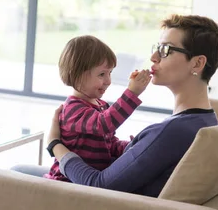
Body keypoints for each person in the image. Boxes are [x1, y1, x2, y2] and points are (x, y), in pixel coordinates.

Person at [46, 14, 218, 197]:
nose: (154, 57)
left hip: (90, 199)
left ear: (197, 63)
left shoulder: (172, 132)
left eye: (165, 50)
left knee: (18, 172)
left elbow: (98, 185)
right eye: (157, 48)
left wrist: (55, 146)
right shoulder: (205, 120)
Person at [44, 35, 152, 181]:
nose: (108, 81)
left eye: (110, 73)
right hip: (65, 183)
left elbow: (109, 144)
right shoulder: (72, 109)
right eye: (101, 74)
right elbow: (104, 124)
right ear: (77, 75)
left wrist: (130, 147)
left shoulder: (101, 105)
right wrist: (132, 93)